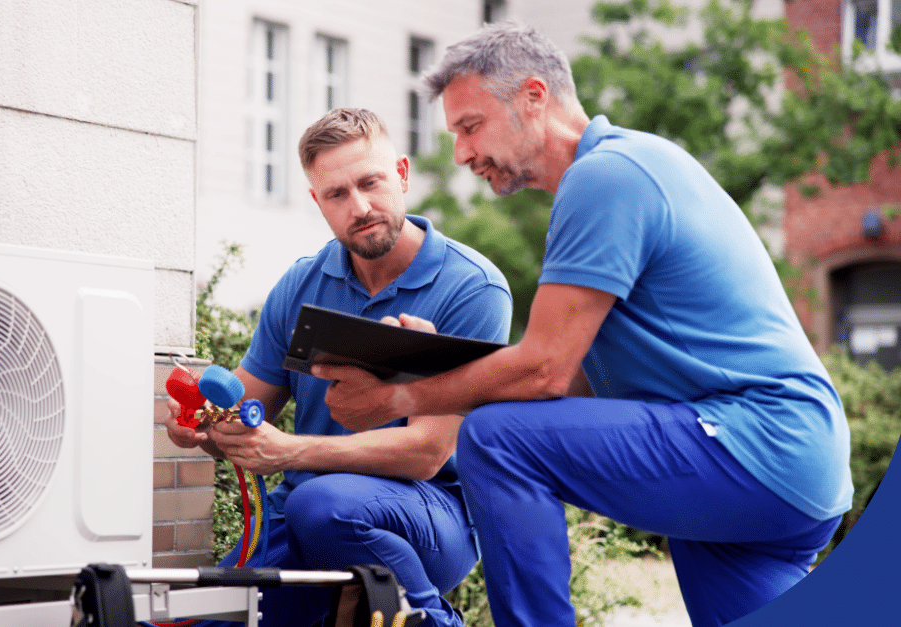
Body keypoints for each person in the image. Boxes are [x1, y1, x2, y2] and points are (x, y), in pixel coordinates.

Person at [313, 22, 852, 627]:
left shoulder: (607, 176)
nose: (462, 153)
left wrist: (397, 396)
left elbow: (544, 372)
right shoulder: (626, 168)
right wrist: (440, 364)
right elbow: (575, 382)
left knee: (498, 439)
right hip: (788, 467)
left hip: (754, 439)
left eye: (470, 126)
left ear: (533, 97)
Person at [166, 107, 513, 627]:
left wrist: (291, 451)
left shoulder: (472, 289)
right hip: (302, 511)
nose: (360, 206)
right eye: (337, 194)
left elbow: (427, 453)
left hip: (433, 514)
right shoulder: (301, 285)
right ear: (317, 202)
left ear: (401, 173)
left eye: (370, 182)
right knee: (209, 619)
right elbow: (241, 413)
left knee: (323, 503)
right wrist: (204, 427)